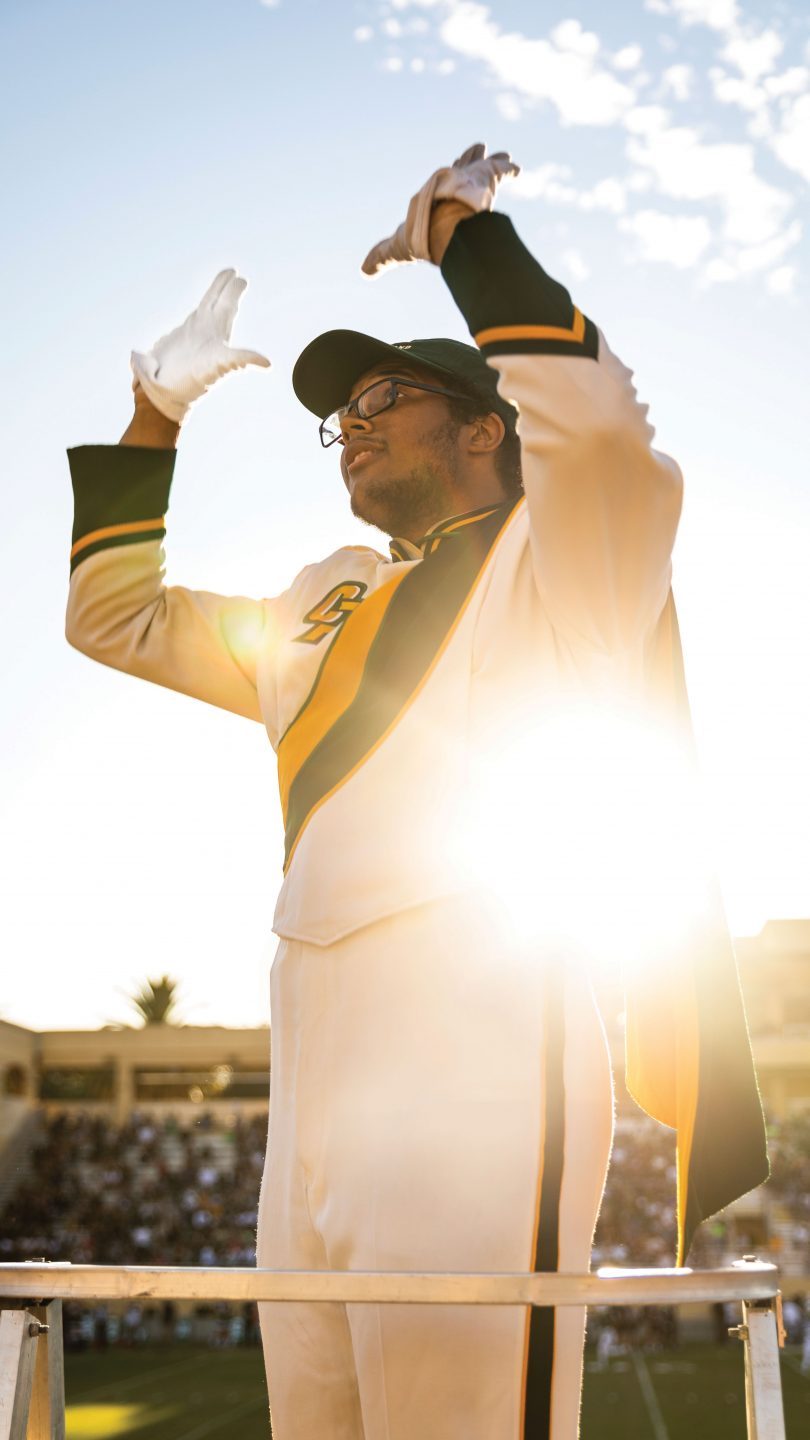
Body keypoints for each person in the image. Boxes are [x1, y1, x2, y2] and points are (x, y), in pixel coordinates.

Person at [65, 145, 767, 1439]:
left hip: (481, 1032)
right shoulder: (315, 597)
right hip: (312, 1059)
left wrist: (462, 240)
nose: (354, 427)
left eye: (386, 395)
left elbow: (602, 427)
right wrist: (153, 412)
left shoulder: (562, 554)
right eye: (344, 412)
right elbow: (113, 619)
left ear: (483, 424)